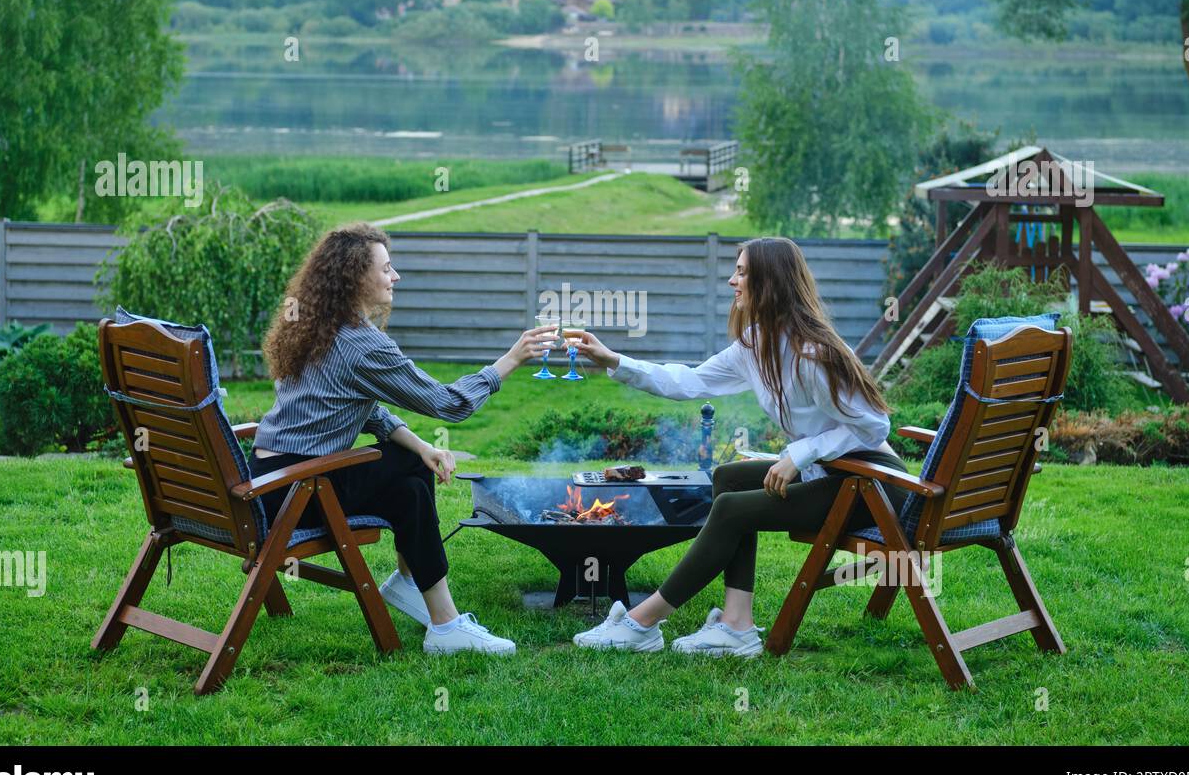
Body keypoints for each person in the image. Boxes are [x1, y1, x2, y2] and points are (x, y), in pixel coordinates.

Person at [569, 236, 910, 656]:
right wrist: (614, 360)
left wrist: (798, 454)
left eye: (743, 272)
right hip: (833, 472)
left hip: (871, 483)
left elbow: (875, 426)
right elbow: (688, 381)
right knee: (728, 478)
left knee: (732, 509)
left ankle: (643, 622)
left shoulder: (812, 353)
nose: (733, 280)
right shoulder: (756, 344)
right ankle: (736, 624)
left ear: (771, 281)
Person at [252, 224, 555, 656]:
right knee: (407, 471)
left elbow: (364, 408)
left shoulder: (316, 325)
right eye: (387, 268)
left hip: (269, 482)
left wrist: (422, 446)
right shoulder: (361, 345)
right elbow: (449, 404)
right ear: (356, 277)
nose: (396, 277)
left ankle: (432, 608)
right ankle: (434, 613)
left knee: (411, 480)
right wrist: (509, 361)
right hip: (298, 492)